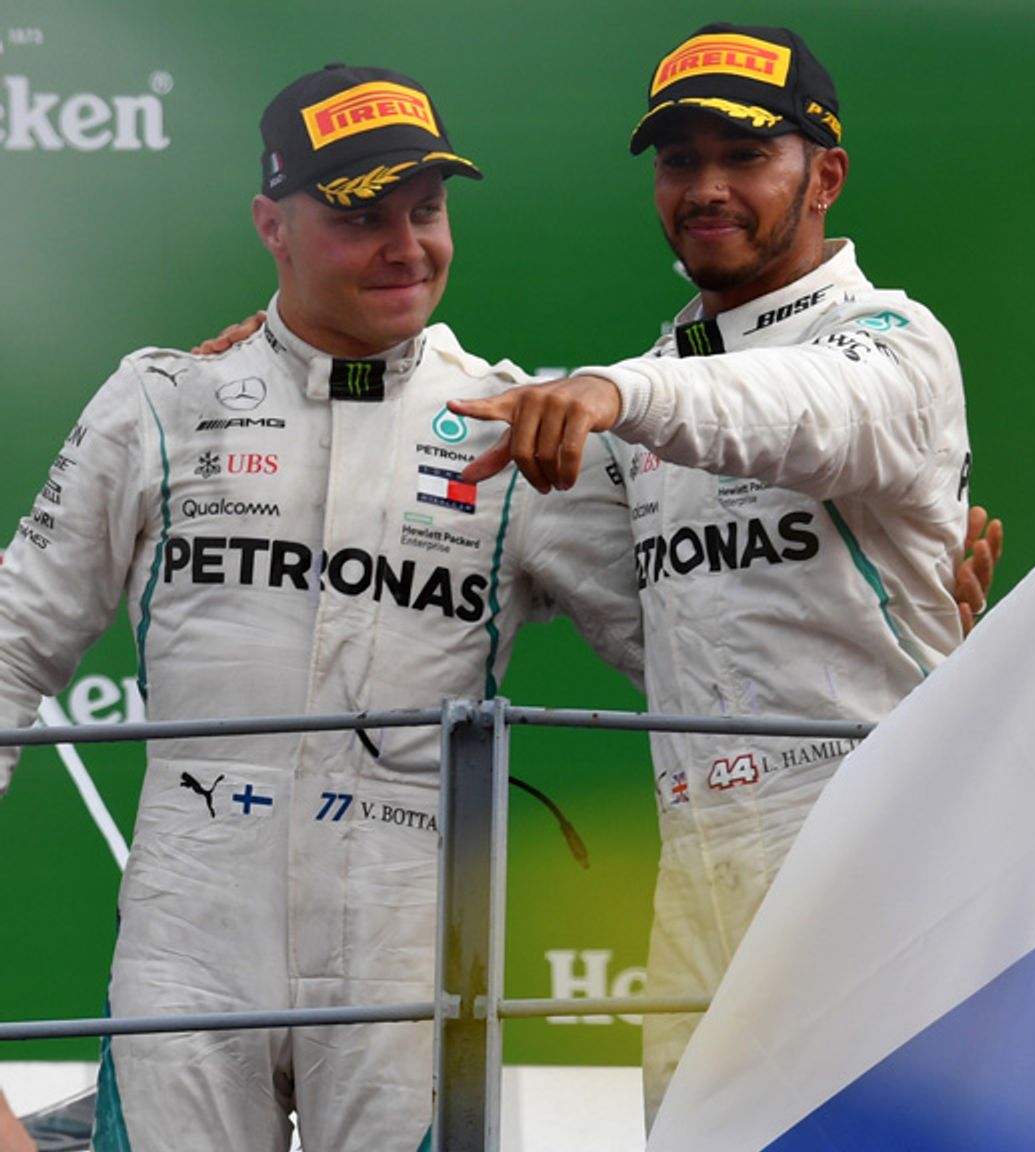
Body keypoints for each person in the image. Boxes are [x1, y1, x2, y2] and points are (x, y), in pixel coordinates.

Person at [0, 65, 646, 1151]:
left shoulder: (512, 423)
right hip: (190, 934)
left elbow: (689, 655)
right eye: (361, 215)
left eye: (426, 210)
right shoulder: (163, 403)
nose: (406, 245)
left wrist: (906, 623)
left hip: (410, 939)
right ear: (273, 225)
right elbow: (13, 645)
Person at [451, 23, 975, 1123]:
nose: (706, 187)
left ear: (824, 174)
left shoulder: (890, 339)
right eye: (680, 161)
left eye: (745, 156)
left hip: (876, 845)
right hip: (694, 866)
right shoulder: (648, 389)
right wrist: (286, 354)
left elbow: (801, 414)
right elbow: (512, 496)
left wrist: (617, 392)